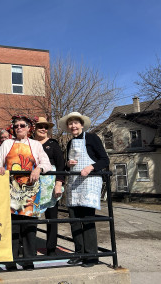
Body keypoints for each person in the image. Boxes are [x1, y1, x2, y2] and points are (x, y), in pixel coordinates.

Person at [0, 115, 51, 270]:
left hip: (31, 191)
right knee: (13, 226)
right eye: (16, 125)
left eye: (22, 125)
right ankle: (10, 260)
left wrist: (39, 168)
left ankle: (28, 260)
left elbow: (47, 163)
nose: (19, 128)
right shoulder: (7, 144)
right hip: (10, 190)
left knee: (29, 227)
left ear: (29, 128)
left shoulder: (36, 145)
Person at [58, 112, 109, 267]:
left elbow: (105, 160)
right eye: (70, 124)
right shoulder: (70, 143)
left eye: (76, 123)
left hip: (89, 182)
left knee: (87, 220)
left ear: (81, 125)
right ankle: (79, 252)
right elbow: (68, 164)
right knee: (74, 221)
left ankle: (91, 256)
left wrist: (91, 167)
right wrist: (68, 164)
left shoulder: (92, 138)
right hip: (74, 183)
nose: (73, 126)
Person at [33, 117, 65, 256]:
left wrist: (59, 184)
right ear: (35, 128)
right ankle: (29, 246)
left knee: (51, 217)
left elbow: (61, 165)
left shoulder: (53, 144)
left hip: (50, 184)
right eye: (40, 126)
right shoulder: (30, 144)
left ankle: (51, 248)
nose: (43, 129)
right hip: (33, 184)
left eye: (46, 127)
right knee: (32, 216)